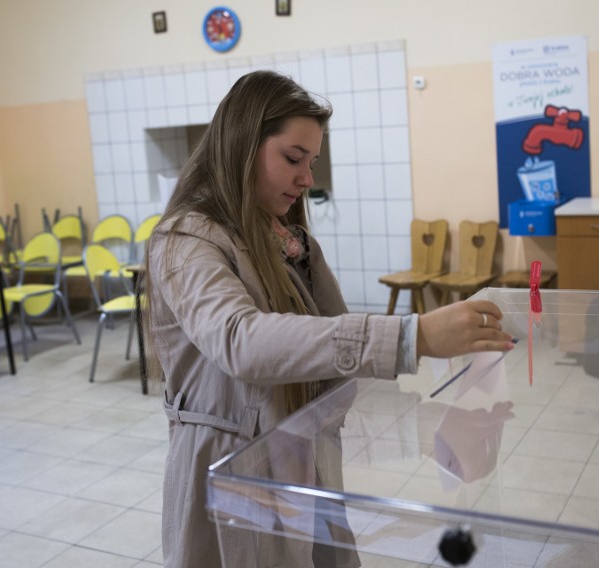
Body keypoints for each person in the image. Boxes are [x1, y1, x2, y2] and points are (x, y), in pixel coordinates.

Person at [145, 70, 515, 567]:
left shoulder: (288, 241)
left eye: (312, 161)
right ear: (239, 146)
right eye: (293, 159)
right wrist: (415, 334)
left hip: (300, 467)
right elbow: (242, 341)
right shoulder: (186, 241)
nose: (307, 178)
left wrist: (427, 427)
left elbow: (330, 368)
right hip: (231, 478)